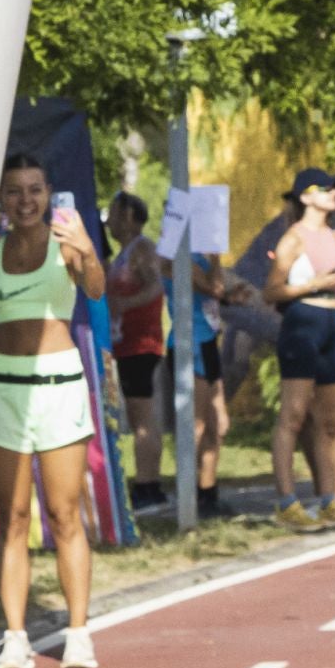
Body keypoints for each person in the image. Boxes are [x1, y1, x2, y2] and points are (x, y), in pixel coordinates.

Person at [0, 155, 108, 668]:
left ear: (48, 193)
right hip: (4, 392)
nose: (25, 201)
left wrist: (87, 253)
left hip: (59, 389)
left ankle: (78, 632)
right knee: (12, 519)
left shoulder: (66, 244)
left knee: (64, 515)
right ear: (1, 198)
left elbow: (95, 289)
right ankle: (15, 636)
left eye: (34, 189)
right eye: (13, 191)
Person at [263, 167, 335, 533]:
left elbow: (333, 283)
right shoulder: (294, 237)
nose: (333, 194)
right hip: (302, 325)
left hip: (332, 327)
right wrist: (313, 285)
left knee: (330, 422)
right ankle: (286, 501)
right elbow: (271, 291)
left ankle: (330, 499)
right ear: (305, 197)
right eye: (325, 189)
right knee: (293, 416)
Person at [163, 244, 240, 519]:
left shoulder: (199, 257)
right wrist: (217, 257)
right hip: (188, 343)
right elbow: (214, 288)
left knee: (218, 424)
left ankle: (208, 493)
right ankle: (187, 495)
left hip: (207, 341)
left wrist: (233, 297)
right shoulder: (177, 254)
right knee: (195, 425)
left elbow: (216, 295)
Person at [104, 192, 167, 509]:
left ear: (129, 215)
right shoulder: (122, 254)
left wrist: (126, 304)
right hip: (126, 344)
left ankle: (148, 486)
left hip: (142, 342)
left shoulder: (142, 249)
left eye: (114, 214)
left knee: (143, 416)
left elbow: (156, 286)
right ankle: (146, 482)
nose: (110, 221)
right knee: (137, 414)